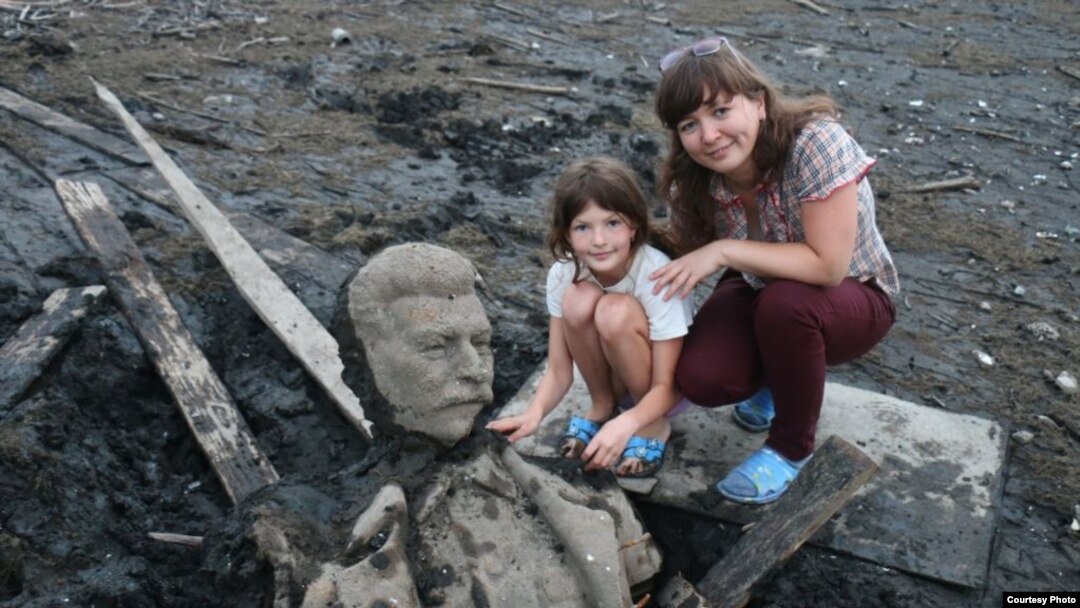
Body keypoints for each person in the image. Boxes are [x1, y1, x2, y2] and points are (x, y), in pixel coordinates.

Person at [648, 37, 898, 504]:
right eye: (689, 124)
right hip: (757, 284)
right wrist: (610, 242)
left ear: (759, 103)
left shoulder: (815, 143)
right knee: (704, 378)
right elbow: (684, 251)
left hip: (851, 297)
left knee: (786, 307)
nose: (709, 135)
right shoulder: (694, 178)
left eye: (721, 111)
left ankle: (790, 449)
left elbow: (828, 266)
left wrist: (723, 250)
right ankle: (780, 378)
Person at [487, 157, 694, 477]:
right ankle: (602, 405)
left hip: (662, 391)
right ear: (567, 234)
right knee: (578, 298)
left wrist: (631, 421)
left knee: (614, 311)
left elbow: (666, 386)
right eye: (583, 227)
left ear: (633, 225)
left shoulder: (656, 275)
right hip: (615, 375)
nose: (599, 240)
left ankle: (652, 425)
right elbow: (559, 370)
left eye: (612, 223)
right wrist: (534, 413)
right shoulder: (565, 273)